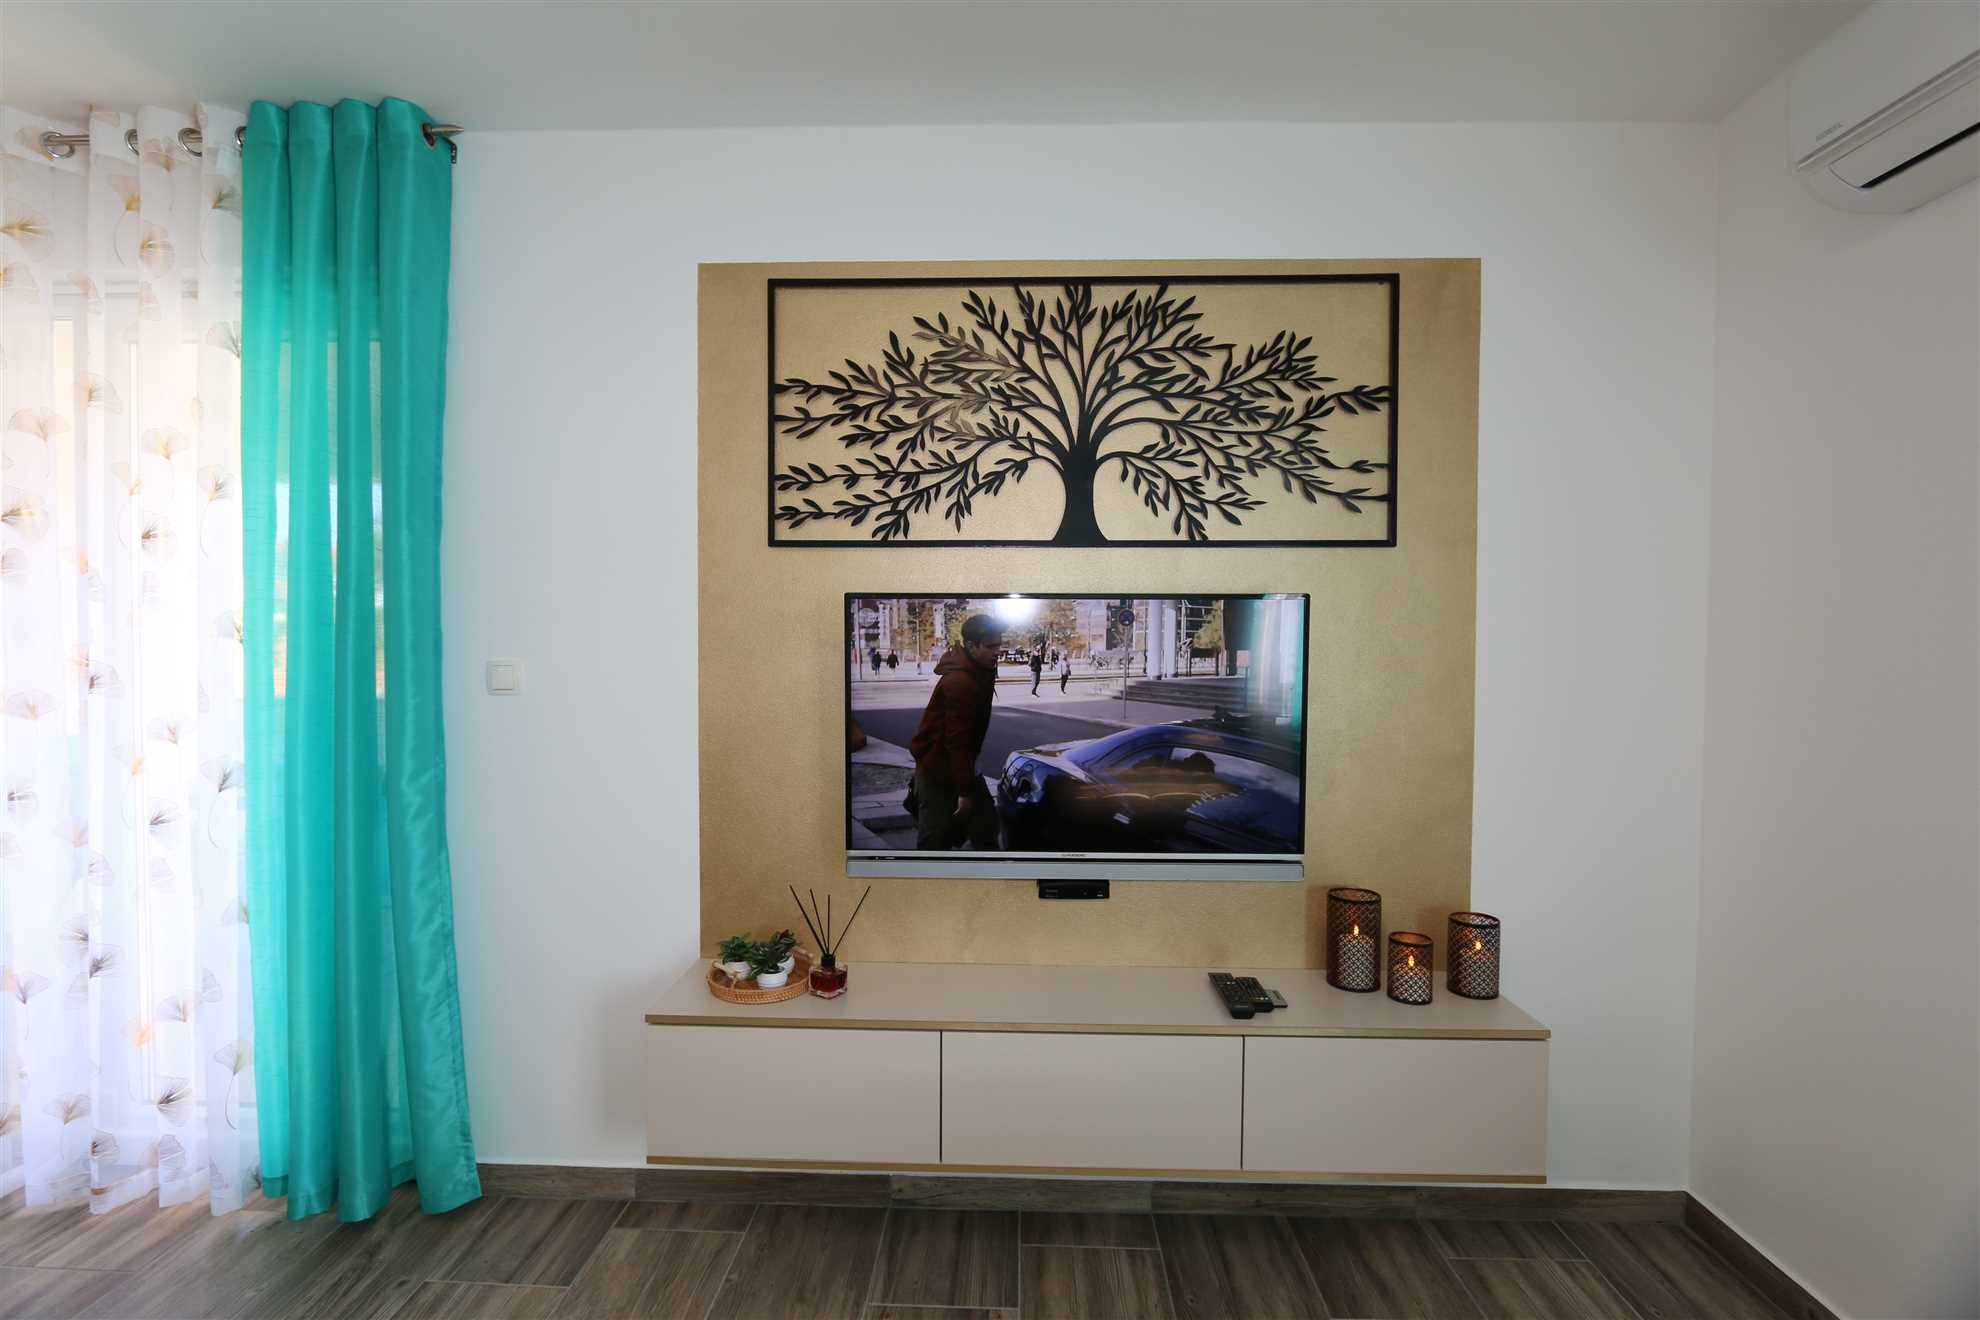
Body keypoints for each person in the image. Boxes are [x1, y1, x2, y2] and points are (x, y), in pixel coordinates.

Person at [908, 614, 1004, 851]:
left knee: (986, 828)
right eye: (991, 646)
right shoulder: (960, 681)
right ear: (971, 646)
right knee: (934, 841)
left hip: (963, 766)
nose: (997, 652)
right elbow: (958, 740)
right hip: (937, 769)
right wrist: (963, 791)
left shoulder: (980, 669)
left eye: (999, 645)